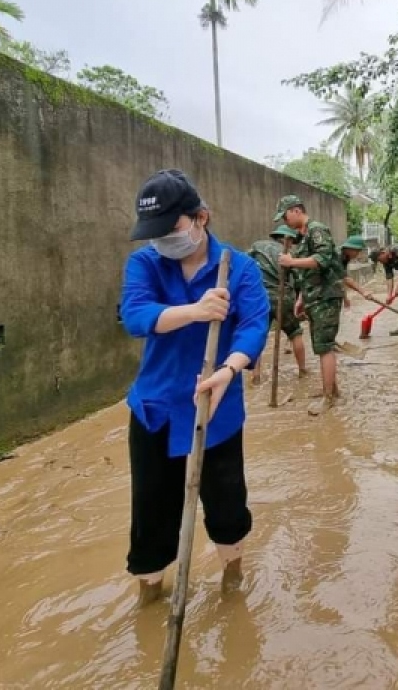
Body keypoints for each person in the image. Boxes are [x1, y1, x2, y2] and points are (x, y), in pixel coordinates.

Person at [119, 169, 270, 605]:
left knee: (226, 505)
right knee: (151, 512)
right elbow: (137, 316)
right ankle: (150, 595)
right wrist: (195, 310)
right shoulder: (145, 264)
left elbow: (254, 325)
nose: (165, 239)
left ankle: (232, 581)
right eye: (156, 233)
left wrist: (230, 368)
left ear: (201, 217)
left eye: (173, 228)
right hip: (156, 408)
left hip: (215, 404)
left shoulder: (237, 267)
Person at [275, 195, 344, 405]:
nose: (284, 222)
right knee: (321, 345)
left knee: (324, 347)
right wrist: (301, 298)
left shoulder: (317, 230)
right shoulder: (303, 236)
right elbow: (309, 274)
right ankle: (331, 389)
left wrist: (291, 261)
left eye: (285, 216)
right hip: (314, 298)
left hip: (326, 298)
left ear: (296, 210)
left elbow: (322, 260)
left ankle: (329, 397)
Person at [248, 224, 308, 384]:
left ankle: (255, 375)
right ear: (285, 240)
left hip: (260, 296)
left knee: (258, 335)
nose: (292, 245)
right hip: (283, 296)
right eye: (291, 241)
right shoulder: (290, 255)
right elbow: (300, 281)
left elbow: (246, 265)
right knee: (295, 332)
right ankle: (302, 371)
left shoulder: (257, 247)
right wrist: (300, 301)